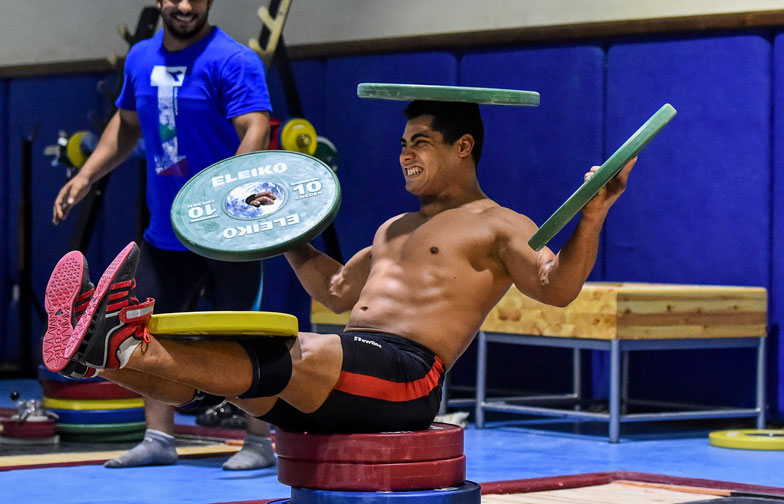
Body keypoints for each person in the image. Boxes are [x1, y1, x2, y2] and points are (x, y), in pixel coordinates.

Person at [44, 99, 636, 434]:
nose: (405, 154)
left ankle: (119, 339)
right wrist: (282, 235)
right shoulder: (393, 229)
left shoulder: (500, 224)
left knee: (291, 350)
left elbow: (556, 289)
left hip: (408, 378)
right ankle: (99, 355)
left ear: (464, 148)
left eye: (421, 142)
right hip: (347, 370)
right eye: (403, 142)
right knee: (215, 364)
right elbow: (335, 289)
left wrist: (594, 215)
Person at [47, 0, 276, 468]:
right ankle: (159, 439)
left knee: (246, 332)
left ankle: (260, 441)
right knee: (146, 330)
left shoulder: (234, 60)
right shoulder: (140, 58)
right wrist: (86, 175)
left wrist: (229, 198)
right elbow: (125, 126)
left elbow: (255, 129)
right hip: (166, 231)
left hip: (229, 232)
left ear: (210, 1)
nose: (185, 5)